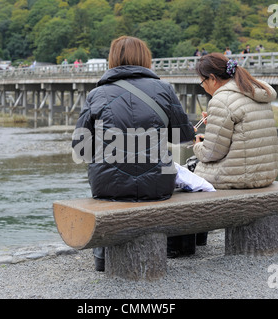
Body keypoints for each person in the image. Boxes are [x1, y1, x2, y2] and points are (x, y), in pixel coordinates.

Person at [72, 36, 195, 271]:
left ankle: (102, 256)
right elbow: (182, 137)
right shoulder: (164, 89)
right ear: (145, 58)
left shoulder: (96, 94)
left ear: (113, 59)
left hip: (107, 185)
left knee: (108, 183)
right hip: (158, 183)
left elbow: (80, 149)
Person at [192, 53, 278, 190]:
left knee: (186, 170)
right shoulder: (254, 91)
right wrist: (215, 120)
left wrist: (197, 145)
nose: (205, 87)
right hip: (265, 175)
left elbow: (211, 153)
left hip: (237, 177)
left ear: (212, 79)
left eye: (203, 83)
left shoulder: (221, 100)